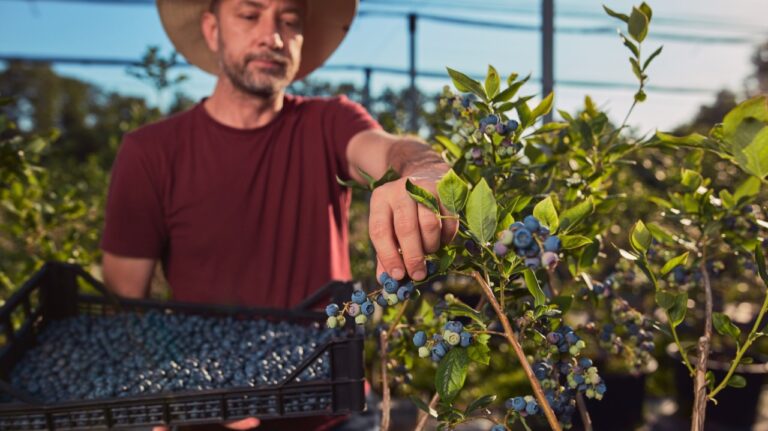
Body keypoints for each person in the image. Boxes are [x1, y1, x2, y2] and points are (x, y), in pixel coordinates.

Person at [100, 0, 457, 429]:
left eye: (289, 21)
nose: (273, 37)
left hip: (333, 411)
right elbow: (126, 306)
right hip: (208, 412)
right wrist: (172, 396)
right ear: (212, 29)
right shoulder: (151, 153)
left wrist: (424, 170)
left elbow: (389, 149)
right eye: (249, 15)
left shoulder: (330, 122)